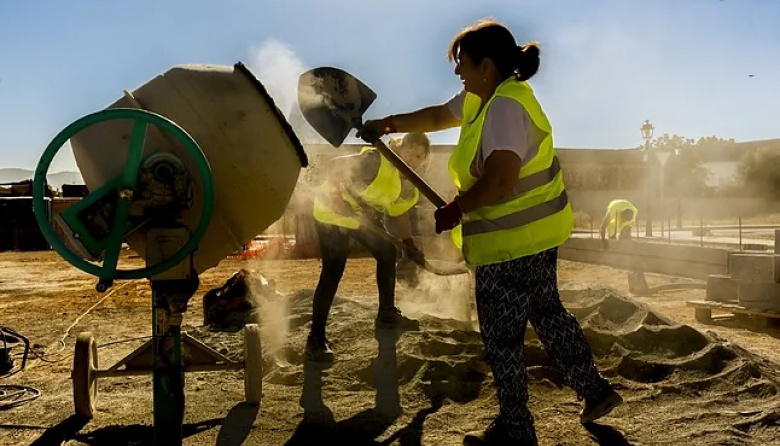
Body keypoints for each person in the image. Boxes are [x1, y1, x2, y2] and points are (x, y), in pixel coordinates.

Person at [359, 19, 623, 446]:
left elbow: (501, 178)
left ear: (486, 65)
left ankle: (516, 429)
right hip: (535, 238)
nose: (458, 72)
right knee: (550, 315)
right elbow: (435, 115)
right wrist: (387, 124)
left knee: (502, 339)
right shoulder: (483, 99)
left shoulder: (503, 108)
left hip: (508, 245)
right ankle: (596, 392)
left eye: (462, 63)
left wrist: (456, 208)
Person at [306, 132, 431, 363]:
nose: (415, 162)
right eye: (412, 154)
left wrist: (409, 244)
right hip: (331, 215)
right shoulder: (376, 161)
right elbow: (334, 166)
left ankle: (386, 313)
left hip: (360, 219)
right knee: (333, 271)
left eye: (420, 158)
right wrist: (336, 198)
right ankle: (316, 338)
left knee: (387, 251)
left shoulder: (406, 183)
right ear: (401, 148)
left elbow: (400, 212)